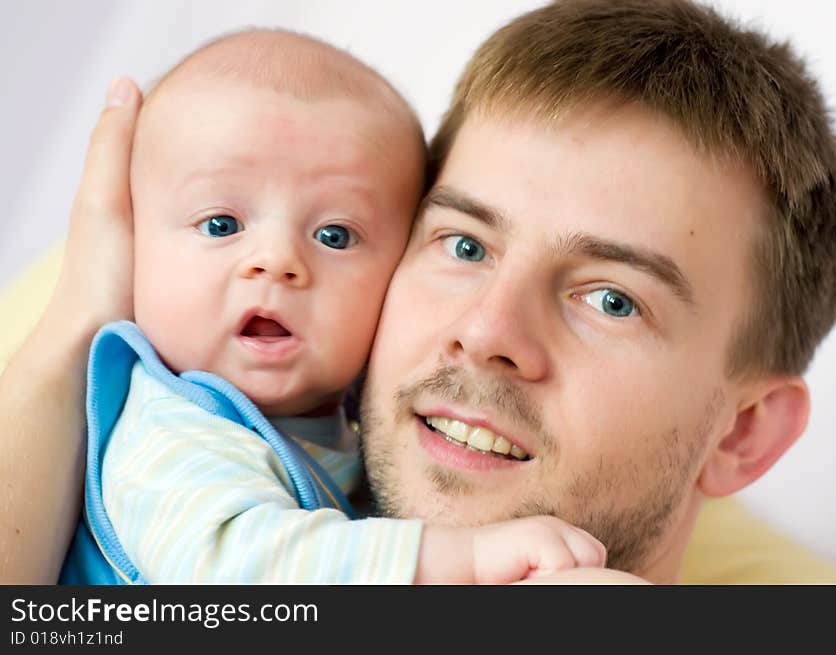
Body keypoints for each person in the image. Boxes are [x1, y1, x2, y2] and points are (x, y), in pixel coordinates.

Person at [0, 0, 836, 585]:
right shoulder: (168, 346)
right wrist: (72, 331)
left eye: (611, 298)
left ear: (743, 432)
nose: (485, 331)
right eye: (463, 243)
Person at [58, 28, 606, 585]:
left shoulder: (353, 422)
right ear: (133, 246)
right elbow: (234, 573)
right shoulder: (172, 427)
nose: (276, 261)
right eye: (221, 225)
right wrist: (464, 560)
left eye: (335, 236)